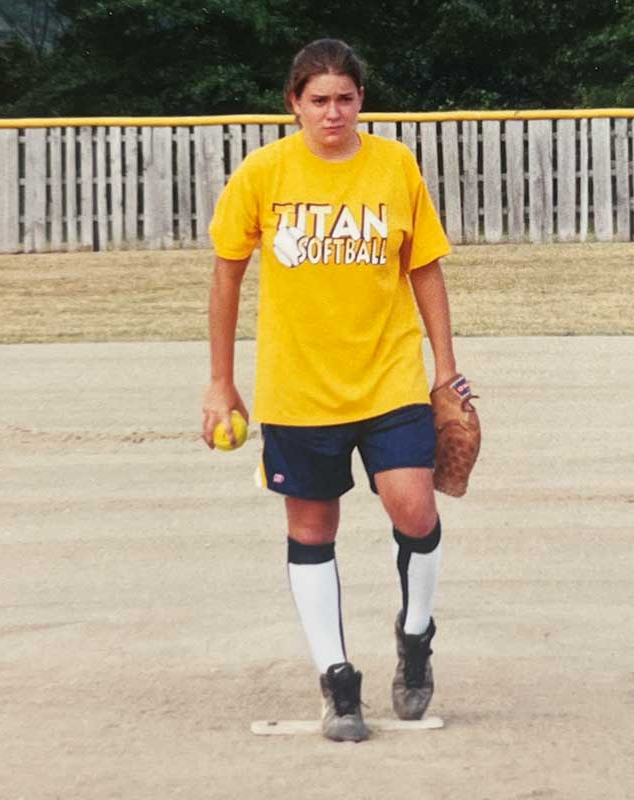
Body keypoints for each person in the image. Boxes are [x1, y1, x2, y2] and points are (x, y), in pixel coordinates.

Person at [202, 38, 467, 743]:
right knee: (313, 528)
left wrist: (445, 367)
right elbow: (226, 273)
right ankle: (337, 679)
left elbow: (425, 267)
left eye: (345, 98)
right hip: (299, 385)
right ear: (293, 103)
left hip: (388, 374)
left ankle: (415, 636)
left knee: (415, 508)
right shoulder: (264, 174)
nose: (332, 113)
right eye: (317, 100)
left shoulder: (394, 165)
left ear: (361, 101)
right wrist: (221, 382)